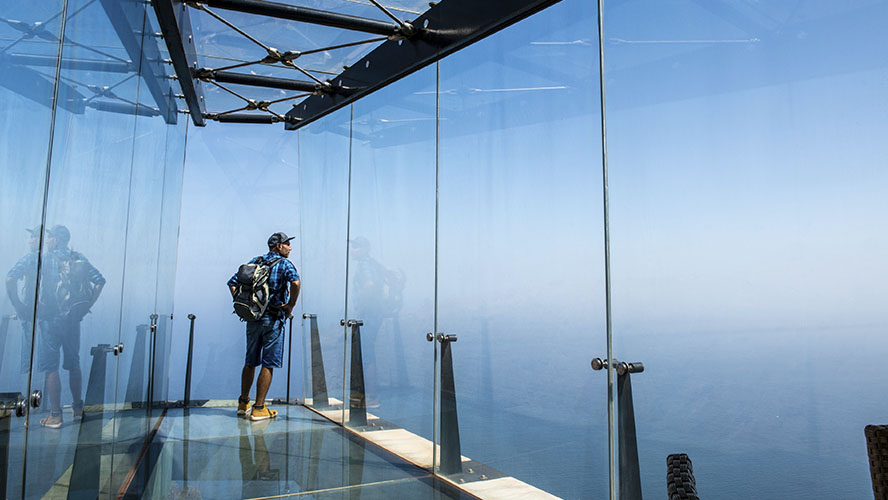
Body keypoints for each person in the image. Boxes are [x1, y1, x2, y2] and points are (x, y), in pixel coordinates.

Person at [228, 232, 300, 421]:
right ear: (278, 247)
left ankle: (243, 403)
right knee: (268, 364)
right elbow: (296, 282)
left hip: (253, 319)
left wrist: (245, 305)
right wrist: (290, 305)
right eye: (287, 244)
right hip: (274, 319)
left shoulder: (256, 261)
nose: (290, 247)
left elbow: (232, 283)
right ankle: (259, 408)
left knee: (250, 361)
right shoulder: (284, 264)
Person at [39, 225, 105, 428]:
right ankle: (77, 409)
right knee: (73, 363)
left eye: (49, 237)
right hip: (72, 320)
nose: (47, 240)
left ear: (57, 240)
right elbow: (100, 281)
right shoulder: (79, 257)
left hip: (51, 320)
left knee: (51, 367)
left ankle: (55, 415)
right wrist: (85, 308)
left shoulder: (46, 258)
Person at [5, 226, 41, 379]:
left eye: (33, 237)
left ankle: (27, 389)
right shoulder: (54, 259)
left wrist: (17, 304)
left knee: (28, 353)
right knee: (45, 358)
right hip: (51, 314)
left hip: (31, 310)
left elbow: (10, 278)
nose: (30, 240)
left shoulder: (31, 258)